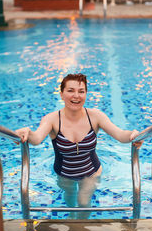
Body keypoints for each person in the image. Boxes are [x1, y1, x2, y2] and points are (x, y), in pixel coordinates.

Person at [16, 73, 142, 219]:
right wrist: (27, 132)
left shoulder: (95, 116)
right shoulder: (52, 119)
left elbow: (120, 135)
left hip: (91, 172)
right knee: (69, 199)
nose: (76, 96)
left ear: (86, 94)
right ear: (62, 94)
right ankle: (72, 218)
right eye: (70, 90)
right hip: (64, 174)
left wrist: (133, 135)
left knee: (83, 202)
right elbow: (36, 138)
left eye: (81, 91)